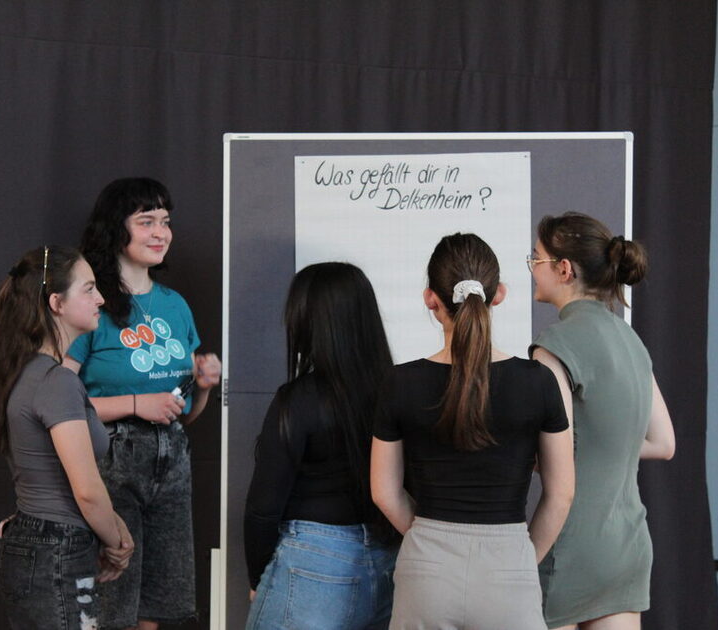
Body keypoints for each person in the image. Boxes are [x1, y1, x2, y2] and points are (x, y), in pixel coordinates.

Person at [371, 232, 576, 630]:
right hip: (508, 565)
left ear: (431, 298)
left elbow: (383, 491)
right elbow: (561, 493)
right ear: (498, 294)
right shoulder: (538, 381)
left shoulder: (400, 383)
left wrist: (428, 535)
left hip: (427, 566)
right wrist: (517, 559)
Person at [63, 178, 222, 630]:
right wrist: (135, 403)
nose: (161, 233)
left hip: (172, 465)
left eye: (165, 222)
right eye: (146, 221)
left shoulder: (175, 305)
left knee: (156, 603)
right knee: (112, 603)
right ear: (118, 228)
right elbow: (59, 407)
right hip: (109, 461)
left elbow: (184, 413)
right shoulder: (89, 304)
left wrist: (204, 384)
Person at [527, 212, 676, 630]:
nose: (532, 270)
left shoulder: (552, 347)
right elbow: (664, 443)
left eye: (535, 259)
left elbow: (559, 483)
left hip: (568, 547)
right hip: (626, 545)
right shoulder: (631, 339)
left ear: (563, 269)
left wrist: (520, 566)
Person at [0, 245, 134, 629]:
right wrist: (117, 543)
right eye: (89, 289)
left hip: (36, 545)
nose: (100, 298)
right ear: (56, 303)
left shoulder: (23, 372)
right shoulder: (56, 382)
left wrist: (114, 525)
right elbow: (86, 489)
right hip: (56, 551)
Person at [244, 262, 400, 630]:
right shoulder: (397, 390)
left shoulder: (297, 400)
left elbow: (263, 508)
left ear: (311, 322)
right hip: (388, 561)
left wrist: (258, 579)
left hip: (312, 561)